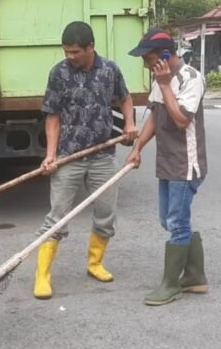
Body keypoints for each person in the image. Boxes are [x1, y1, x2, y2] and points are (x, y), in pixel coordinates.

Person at [33, 21, 137, 299]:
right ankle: (42, 276)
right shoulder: (59, 74)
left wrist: (129, 124)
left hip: (103, 155)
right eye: (66, 51)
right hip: (69, 156)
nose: (70, 56)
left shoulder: (109, 70)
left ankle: (95, 264)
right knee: (57, 218)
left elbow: (125, 99)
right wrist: (51, 155)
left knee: (106, 215)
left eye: (75, 51)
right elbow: (52, 116)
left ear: (91, 47)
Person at [125, 28, 208, 306]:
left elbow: (181, 119)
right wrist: (137, 149)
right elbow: (154, 118)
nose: (146, 66)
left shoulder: (190, 78)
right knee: (169, 220)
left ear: (164, 55)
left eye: (148, 59)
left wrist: (164, 84)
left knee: (176, 223)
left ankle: (171, 284)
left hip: (186, 164)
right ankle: (195, 276)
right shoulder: (160, 80)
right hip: (167, 163)